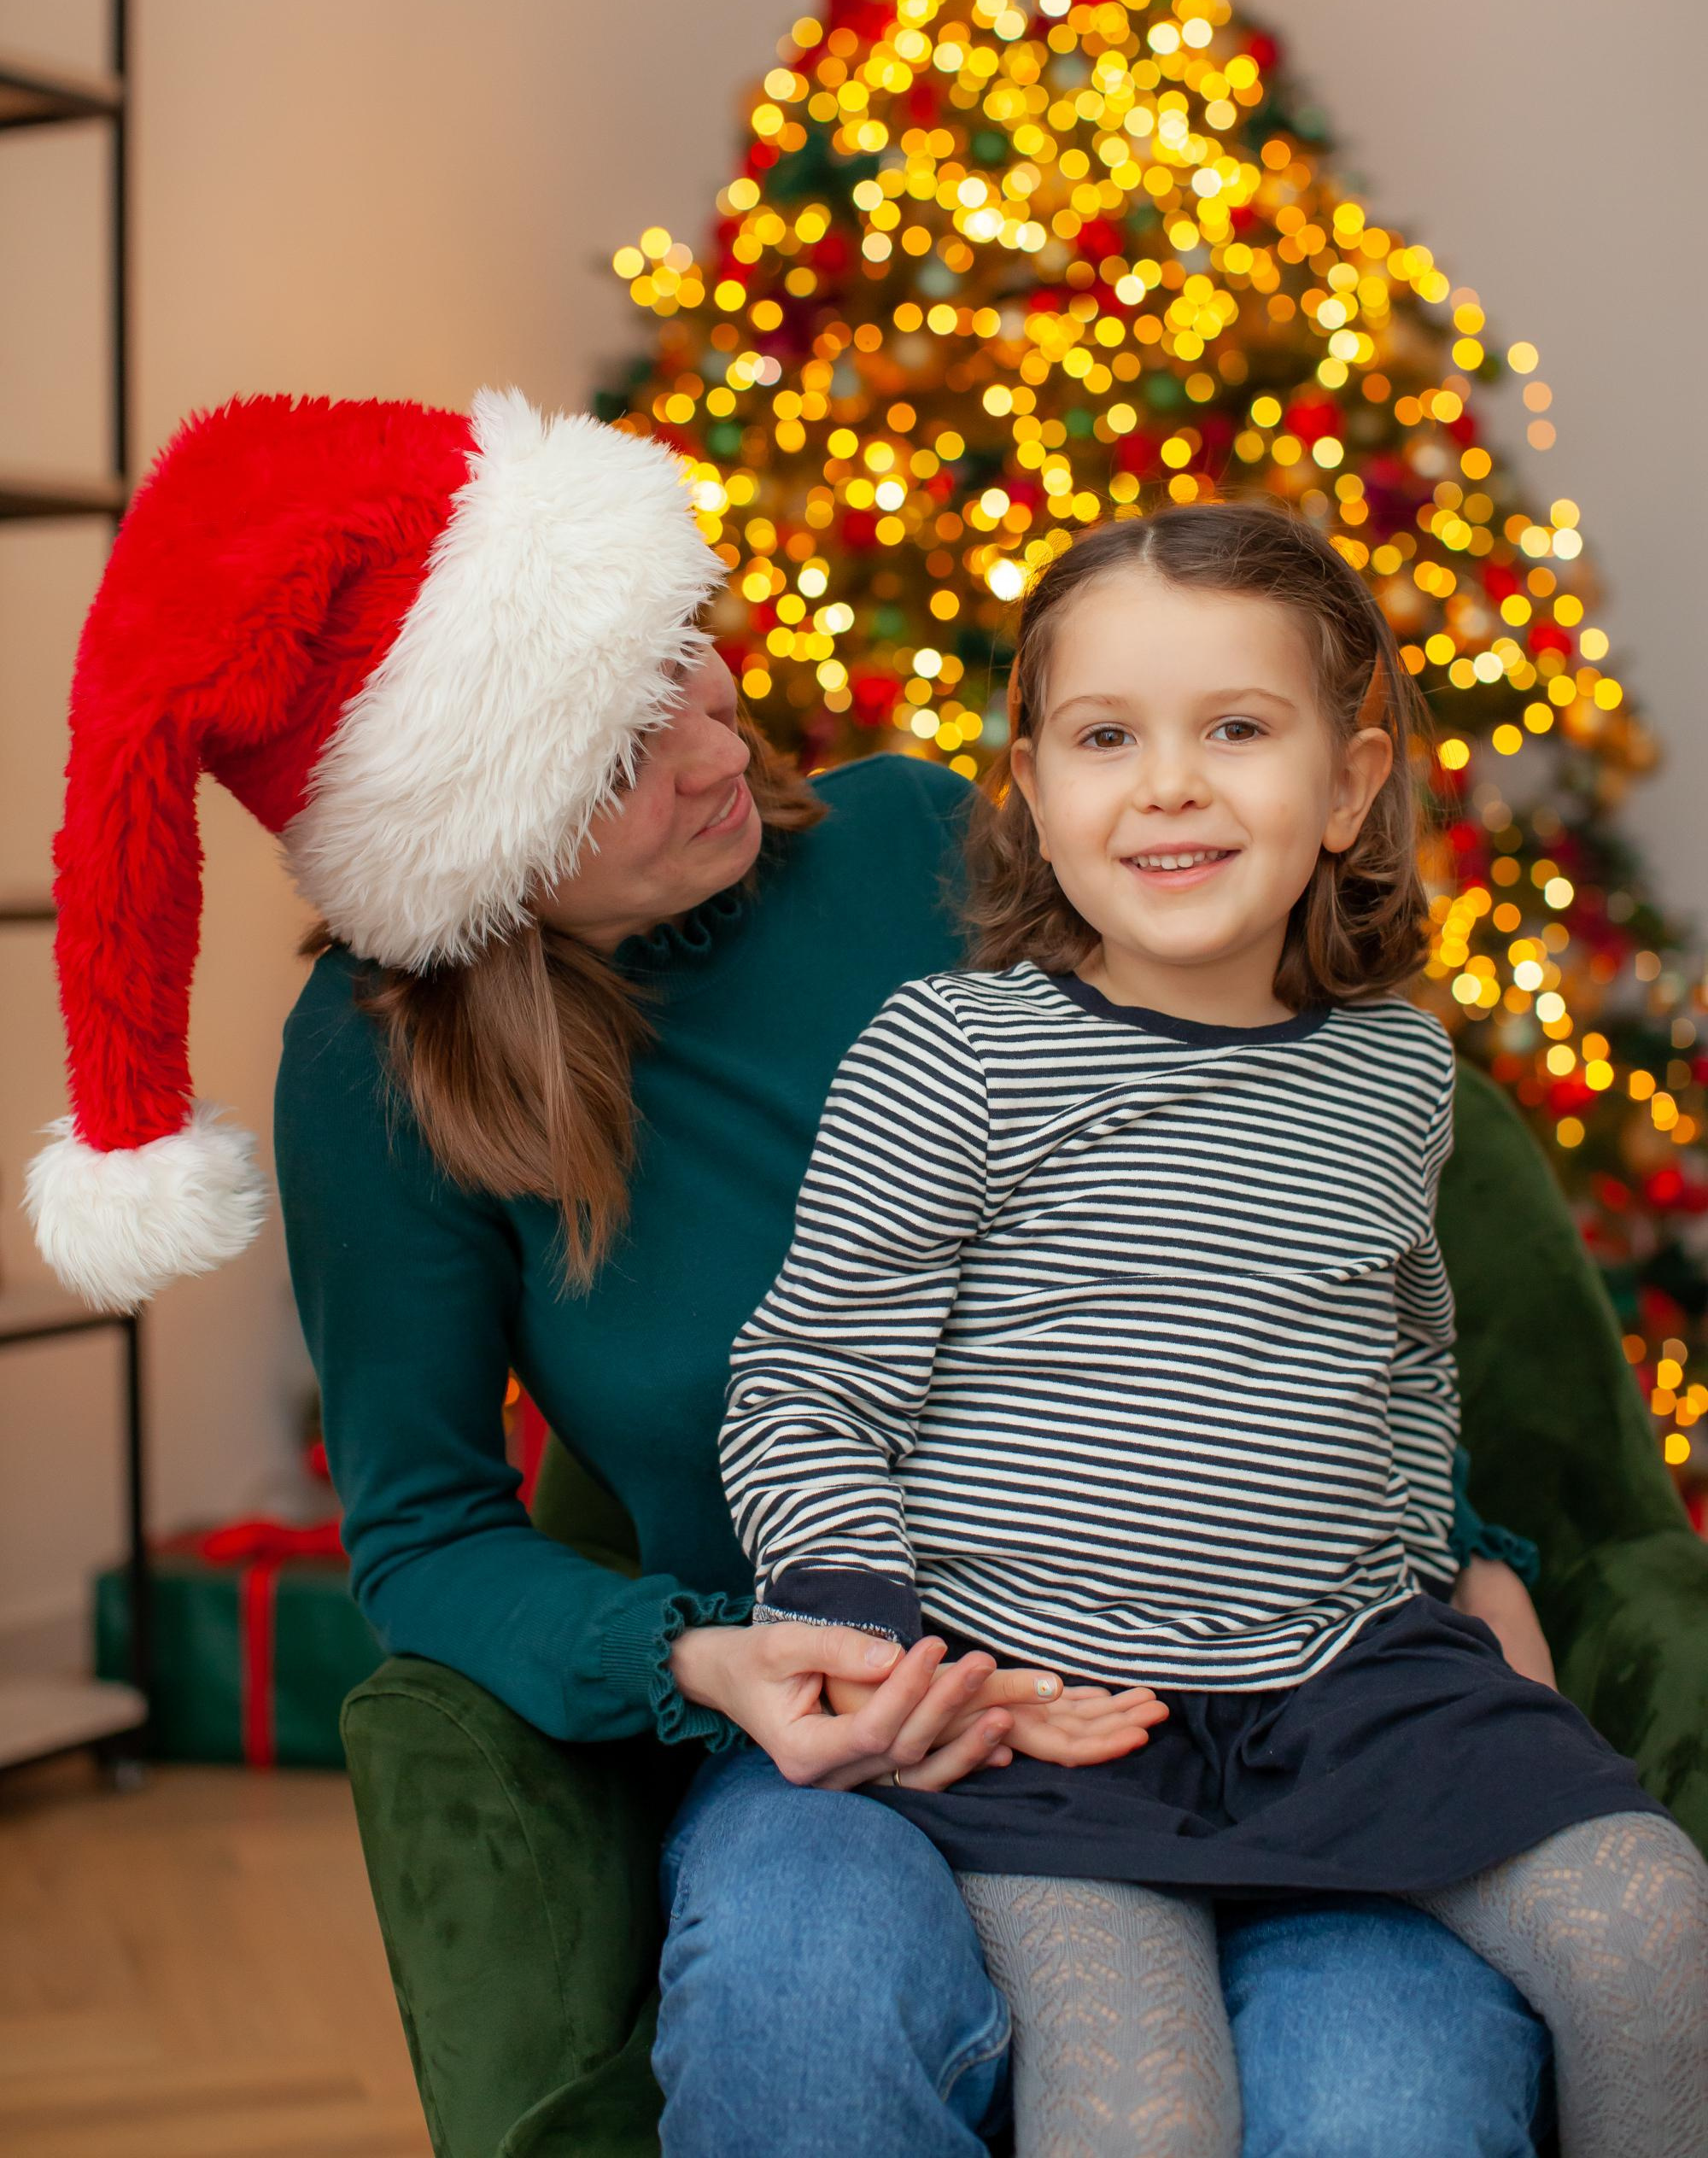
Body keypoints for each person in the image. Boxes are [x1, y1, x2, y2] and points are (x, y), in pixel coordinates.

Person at [32, 392, 1559, 2157]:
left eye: (684, 653)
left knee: (1392, 2092)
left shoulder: (923, 842)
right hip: (858, 1734)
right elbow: (425, 1535)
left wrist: (1458, 1551)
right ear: (470, 842)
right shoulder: (385, 1072)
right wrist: (705, 1662)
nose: (712, 742)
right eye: (612, 756)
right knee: (797, 2008)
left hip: (1271, 1686)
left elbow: (1271, 1187)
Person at [721, 501, 1708, 2158]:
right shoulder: (950, 1055)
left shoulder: (1392, 1075)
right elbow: (807, 1391)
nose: (1167, 784)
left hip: (1346, 1681)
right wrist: (887, 1653)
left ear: (1346, 785)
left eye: (1234, 731)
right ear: (1034, 793)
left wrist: (1430, 1586)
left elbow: (1402, 1361)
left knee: (1656, 1929)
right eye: (1106, 739)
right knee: (1142, 2118)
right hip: (1047, 1714)